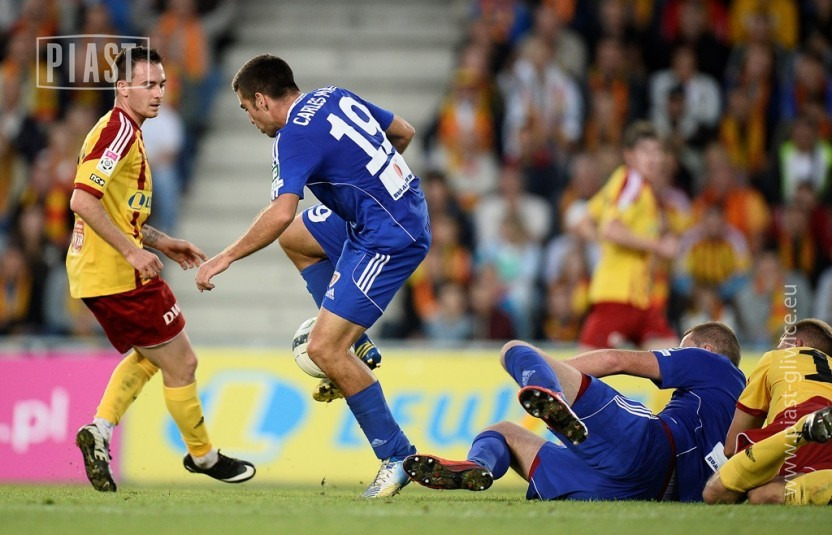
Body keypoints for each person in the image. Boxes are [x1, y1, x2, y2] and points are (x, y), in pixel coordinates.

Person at [195, 55, 431, 498]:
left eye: (246, 109)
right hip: (393, 209)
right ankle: (358, 345)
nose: (250, 119)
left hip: (389, 235)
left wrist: (224, 257)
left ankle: (397, 456)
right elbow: (403, 132)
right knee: (298, 239)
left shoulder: (292, 136)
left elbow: (281, 212)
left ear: (261, 100)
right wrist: (370, 183)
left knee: (324, 348)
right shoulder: (332, 95)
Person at [68, 47, 255, 492]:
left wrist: (161, 242)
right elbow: (82, 200)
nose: (157, 93)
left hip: (100, 272)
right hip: (118, 274)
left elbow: (119, 213)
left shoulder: (125, 132)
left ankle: (99, 430)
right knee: (182, 361)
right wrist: (133, 254)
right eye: (147, 84)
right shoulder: (118, 131)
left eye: (162, 85)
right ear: (122, 88)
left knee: (152, 356)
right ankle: (203, 455)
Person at [404, 322, 745, 502]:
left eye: (683, 349)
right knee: (505, 432)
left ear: (706, 348)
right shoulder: (747, 403)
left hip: (651, 448)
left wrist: (551, 372)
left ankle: (548, 393)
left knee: (515, 350)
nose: (679, 354)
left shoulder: (712, 362)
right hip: (648, 491)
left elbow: (615, 359)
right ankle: (478, 467)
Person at [702, 318, 832, 505]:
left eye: (781, 342)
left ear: (796, 344)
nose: (778, 347)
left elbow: (731, 447)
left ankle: (800, 431)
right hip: (825, 442)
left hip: (795, 421)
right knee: (762, 495)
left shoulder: (777, 358)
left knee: (714, 492)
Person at [574, 121, 679, 350]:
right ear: (629, 156)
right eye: (646, 151)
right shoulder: (632, 182)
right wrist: (658, 245)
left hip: (639, 298)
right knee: (583, 367)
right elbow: (611, 229)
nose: (654, 158)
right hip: (618, 296)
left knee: (672, 355)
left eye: (657, 151)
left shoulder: (631, 185)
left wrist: (607, 245)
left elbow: (583, 222)